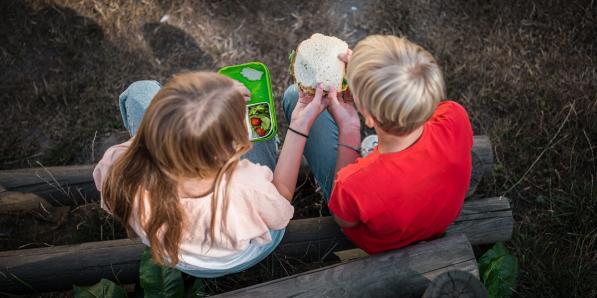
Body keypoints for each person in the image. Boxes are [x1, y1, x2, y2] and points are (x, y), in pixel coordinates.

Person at [93, 72, 329, 277]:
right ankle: (265, 139)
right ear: (229, 152)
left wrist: (213, 100)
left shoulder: (120, 170)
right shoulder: (247, 185)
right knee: (262, 130)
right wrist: (299, 127)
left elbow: (154, 136)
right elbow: (281, 204)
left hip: (184, 260)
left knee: (140, 90)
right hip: (247, 253)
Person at [282, 35, 473, 254]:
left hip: (379, 243)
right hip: (435, 220)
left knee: (291, 96)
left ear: (369, 118)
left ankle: (366, 148)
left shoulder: (353, 183)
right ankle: (372, 148)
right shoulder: (455, 117)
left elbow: (344, 220)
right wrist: (374, 71)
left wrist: (350, 131)